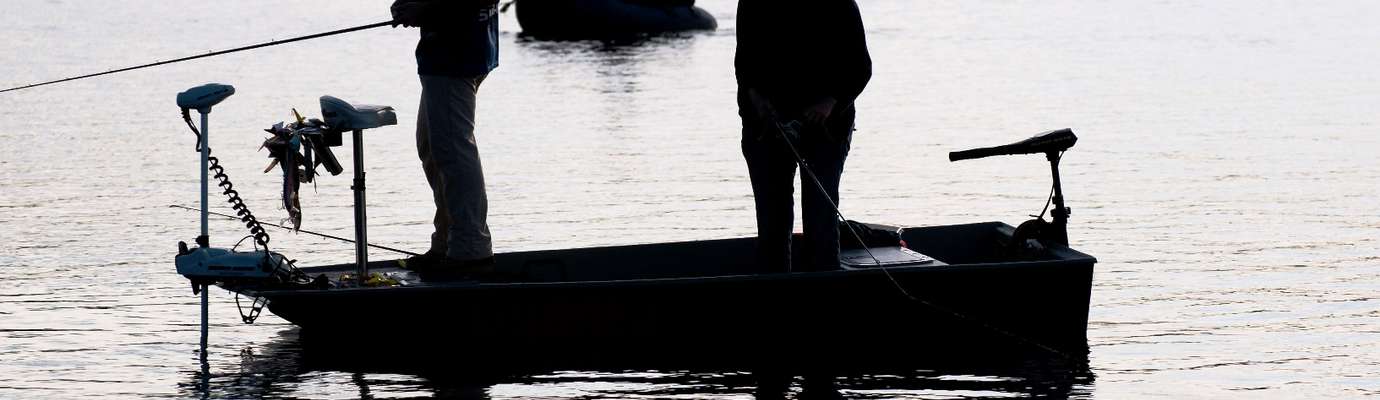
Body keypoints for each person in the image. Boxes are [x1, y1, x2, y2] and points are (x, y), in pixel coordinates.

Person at [735, 0, 872, 273]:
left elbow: (861, 68)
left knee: (820, 221)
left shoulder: (840, 5)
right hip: (766, 127)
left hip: (826, 127)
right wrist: (757, 100)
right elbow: (744, 64)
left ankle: (823, 286)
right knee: (772, 225)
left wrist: (830, 102)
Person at [392, 0, 501, 275]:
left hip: (457, 55)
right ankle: (446, 244)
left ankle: (471, 250)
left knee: (452, 152)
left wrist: (425, 9)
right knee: (431, 147)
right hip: (443, 54)